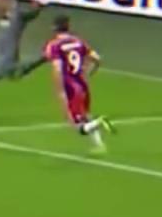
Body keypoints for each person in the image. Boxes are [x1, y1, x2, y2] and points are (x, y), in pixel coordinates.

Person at [44, 15, 113, 152]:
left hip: (69, 86)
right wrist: (91, 72)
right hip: (82, 83)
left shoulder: (54, 45)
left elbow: (58, 68)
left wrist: (60, 90)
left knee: (75, 124)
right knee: (86, 114)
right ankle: (100, 145)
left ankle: (99, 122)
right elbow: (97, 59)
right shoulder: (79, 42)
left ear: (54, 28)